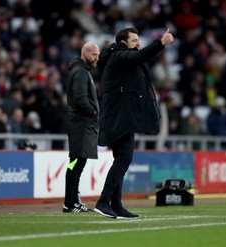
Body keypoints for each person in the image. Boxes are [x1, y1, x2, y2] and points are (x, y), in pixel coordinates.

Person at [95, 27, 174, 218]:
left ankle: (116, 205)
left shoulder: (120, 56)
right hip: (119, 118)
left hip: (122, 117)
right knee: (124, 159)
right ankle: (103, 201)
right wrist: (160, 43)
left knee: (121, 159)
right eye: (134, 40)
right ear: (123, 42)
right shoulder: (119, 55)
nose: (138, 43)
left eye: (138, 40)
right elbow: (138, 58)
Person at [63, 42, 100, 213]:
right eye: (93, 55)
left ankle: (72, 201)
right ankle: (70, 203)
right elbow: (79, 98)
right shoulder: (81, 72)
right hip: (81, 125)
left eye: (98, 55)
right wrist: (93, 110)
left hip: (81, 124)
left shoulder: (82, 71)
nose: (96, 58)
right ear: (84, 54)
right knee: (75, 163)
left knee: (76, 163)